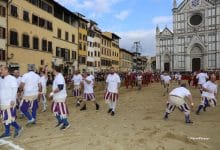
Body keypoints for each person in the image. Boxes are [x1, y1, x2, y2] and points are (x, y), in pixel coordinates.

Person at [0, 65, 22, 138]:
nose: (1, 71)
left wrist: (13, 99)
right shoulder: (1, 79)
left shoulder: (12, 79)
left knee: (9, 118)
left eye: (2, 69)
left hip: (9, 102)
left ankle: (18, 128)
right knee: (4, 118)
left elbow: (15, 89)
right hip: (3, 102)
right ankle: (7, 132)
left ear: (6, 70)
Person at [49, 65, 70, 130]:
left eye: (52, 69)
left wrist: (52, 93)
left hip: (60, 96)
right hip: (57, 96)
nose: (51, 71)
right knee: (54, 109)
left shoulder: (59, 77)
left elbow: (60, 87)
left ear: (55, 70)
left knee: (61, 110)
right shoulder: (57, 76)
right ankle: (61, 121)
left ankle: (66, 123)